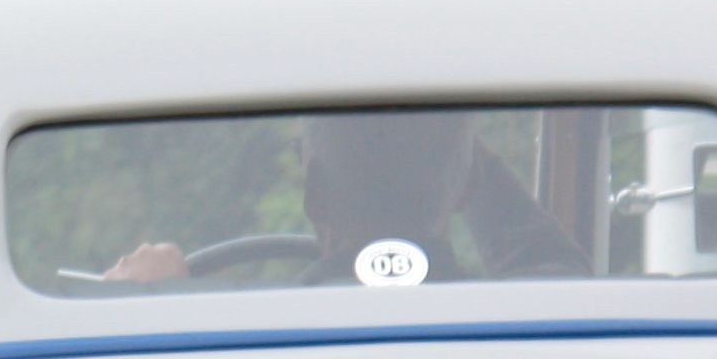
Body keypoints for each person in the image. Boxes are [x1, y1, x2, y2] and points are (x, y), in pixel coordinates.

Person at [105, 109, 587, 287]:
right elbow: (554, 268)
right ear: (471, 183)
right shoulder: (527, 329)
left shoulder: (248, 345)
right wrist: (447, 149)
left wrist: (153, 299)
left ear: (315, 194)